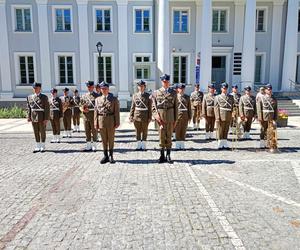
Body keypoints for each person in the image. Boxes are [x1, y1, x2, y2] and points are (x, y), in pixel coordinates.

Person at [152, 74, 178, 163]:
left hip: (170, 118)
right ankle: (162, 155)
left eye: (167, 81)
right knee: (161, 137)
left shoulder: (174, 93)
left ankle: (168, 155)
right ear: (162, 82)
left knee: (169, 137)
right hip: (161, 119)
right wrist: (157, 117)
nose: (165, 83)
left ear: (169, 82)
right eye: (164, 82)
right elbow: (153, 108)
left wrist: (176, 119)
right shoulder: (156, 93)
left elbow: (176, 108)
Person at [94, 82, 120, 164]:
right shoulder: (97, 99)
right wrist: (95, 123)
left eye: (105, 88)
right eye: (102, 89)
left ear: (108, 89)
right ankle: (105, 156)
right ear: (100, 90)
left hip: (110, 121)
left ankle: (111, 155)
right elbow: (96, 112)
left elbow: (116, 112)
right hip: (101, 121)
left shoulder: (114, 99)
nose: (104, 90)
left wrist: (117, 122)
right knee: (104, 140)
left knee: (111, 139)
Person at [26, 82, 50, 153]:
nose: (35, 89)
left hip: (41, 117)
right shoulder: (30, 97)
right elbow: (29, 108)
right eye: (34, 88)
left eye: (36, 88)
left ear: (40, 88)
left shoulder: (44, 97)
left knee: (42, 131)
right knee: (35, 131)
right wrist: (28, 116)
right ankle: (37, 146)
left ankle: (43, 146)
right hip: (33, 117)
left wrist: (46, 118)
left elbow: (47, 108)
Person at [129, 80, 152, 151]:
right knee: (137, 131)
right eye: (139, 86)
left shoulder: (148, 96)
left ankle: (144, 145)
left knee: (145, 131)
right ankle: (139, 145)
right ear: (138, 87)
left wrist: (150, 117)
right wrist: (131, 116)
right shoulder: (135, 95)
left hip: (145, 116)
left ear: (144, 87)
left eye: (142, 86)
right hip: (136, 116)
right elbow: (132, 106)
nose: (141, 87)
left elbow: (150, 107)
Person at [256, 84, 278, 149]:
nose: (269, 90)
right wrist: (260, 118)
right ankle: (262, 143)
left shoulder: (274, 98)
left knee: (270, 131)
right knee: (263, 130)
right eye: (268, 89)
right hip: (264, 117)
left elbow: (276, 109)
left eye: (270, 89)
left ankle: (269, 144)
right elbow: (259, 108)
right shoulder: (261, 98)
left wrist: (275, 118)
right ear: (265, 90)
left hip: (271, 117)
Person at [80, 81, 99, 152]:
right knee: (87, 131)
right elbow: (81, 105)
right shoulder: (84, 96)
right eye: (88, 87)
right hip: (85, 116)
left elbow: (99, 106)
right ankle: (88, 146)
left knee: (94, 131)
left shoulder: (97, 96)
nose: (89, 88)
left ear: (93, 87)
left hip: (93, 115)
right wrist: (83, 109)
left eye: (90, 87)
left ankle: (94, 146)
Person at [214, 82, 234, 150]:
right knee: (220, 129)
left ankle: (225, 143)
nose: (224, 89)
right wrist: (217, 117)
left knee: (226, 129)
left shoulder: (231, 97)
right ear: (221, 89)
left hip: (228, 115)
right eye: (223, 88)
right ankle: (220, 143)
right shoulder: (217, 97)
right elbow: (216, 108)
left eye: (225, 88)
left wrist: (232, 114)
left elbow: (232, 107)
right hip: (221, 115)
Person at [175, 84, 191, 150]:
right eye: (180, 88)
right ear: (178, 89)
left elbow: (189, 107)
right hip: (177, 115)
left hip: (185, 115)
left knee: (183, 130)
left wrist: (190, 117)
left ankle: (182, 145)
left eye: (183, 89)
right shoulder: (175, 97)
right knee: (177, 130)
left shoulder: (187, 97)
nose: (181, 90)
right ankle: (177, 145)